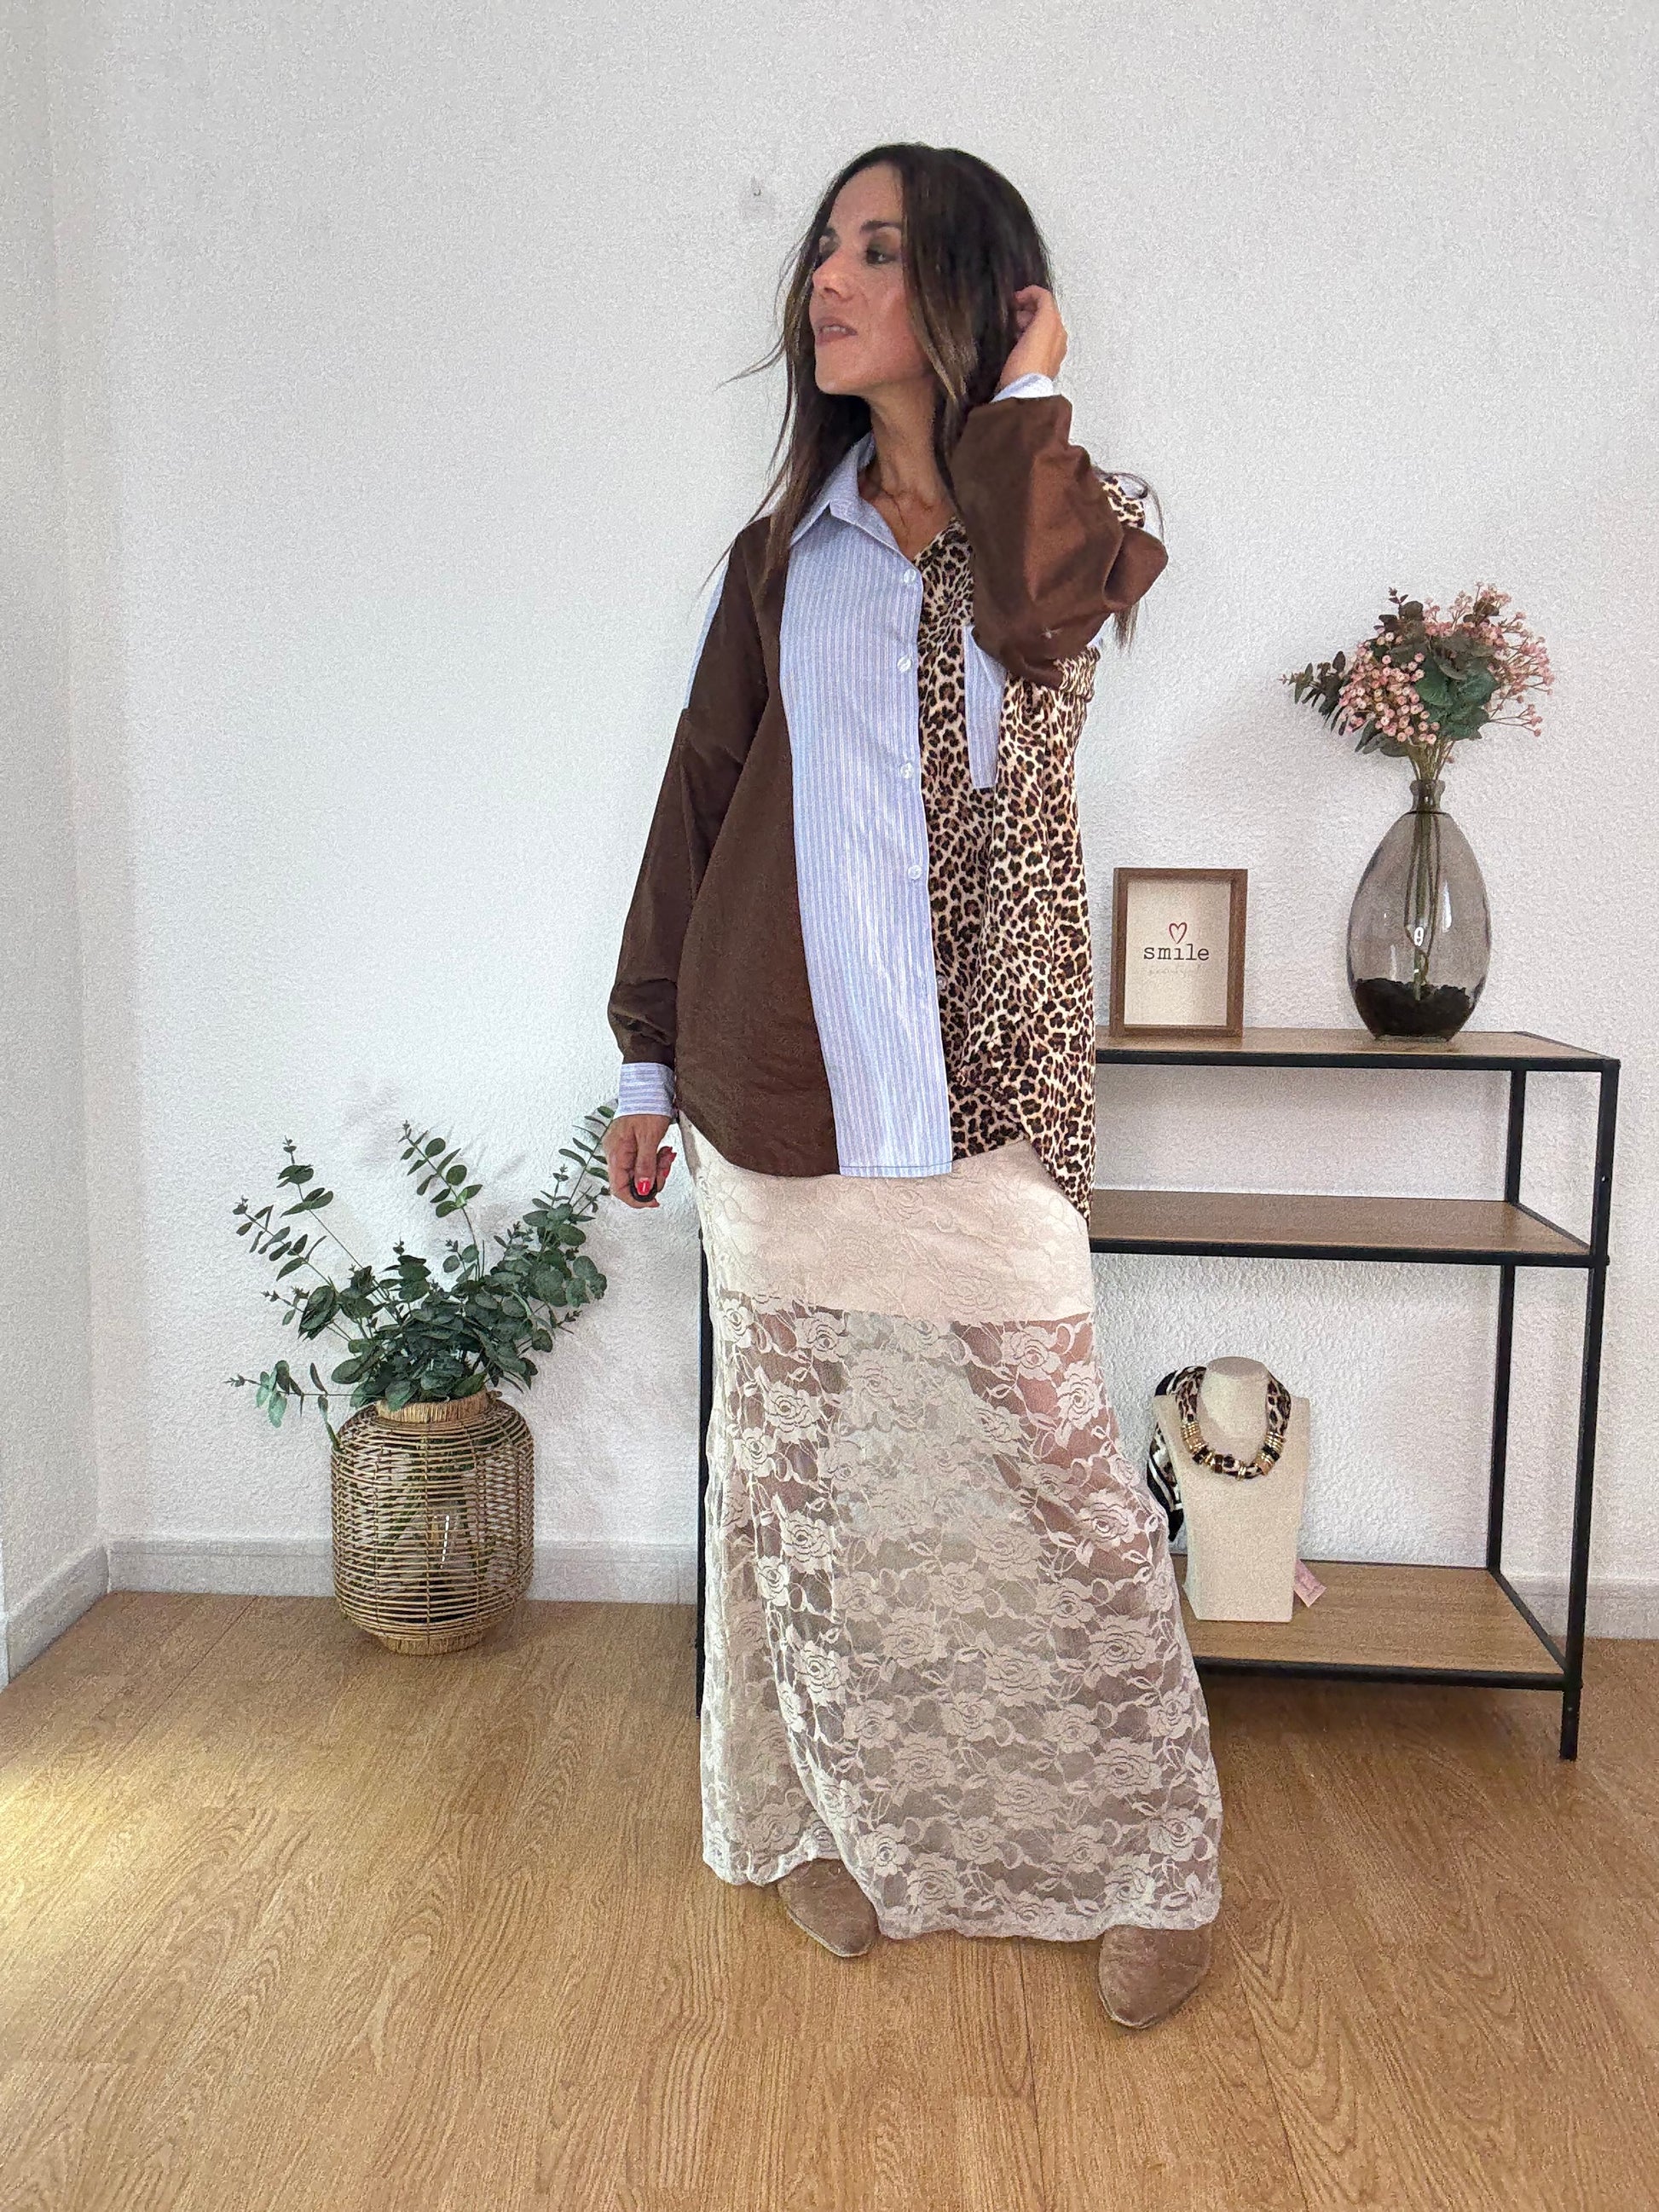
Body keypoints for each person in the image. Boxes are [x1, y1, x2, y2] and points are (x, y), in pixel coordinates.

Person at [603, 141, 1223, 2030]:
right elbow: (701, 800)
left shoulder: (1064, 519)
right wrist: (643, 1052)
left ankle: (1147, 1860)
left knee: (1060, 1484)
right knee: (795, 1494)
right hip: (775, 1084)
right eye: (822, 248)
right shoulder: (776, 558)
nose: (827, 279)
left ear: (969, 289)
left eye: (878, 250)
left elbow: (1036, 633)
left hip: (982, 1086)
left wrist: (1026, 393)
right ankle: (812, 1817)